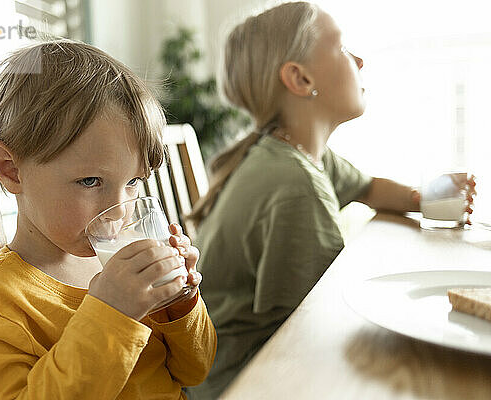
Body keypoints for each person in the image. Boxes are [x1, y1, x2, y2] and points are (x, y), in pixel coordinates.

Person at [185, 2, 476, 399]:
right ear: (300, 79)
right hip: (245, 380)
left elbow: (369, 187)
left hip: (238, 366)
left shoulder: (295, 154)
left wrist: (430, 196)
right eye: (342, 48)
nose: (359, 59)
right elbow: (320, 321)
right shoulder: (295, 183)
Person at [0, 40, 217, 399]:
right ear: (12, 171)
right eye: (90, 182)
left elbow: (194, 369)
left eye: (133, 182)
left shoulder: (123, 264)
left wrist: (180, 306)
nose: (120, 212)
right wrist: (111, 314)